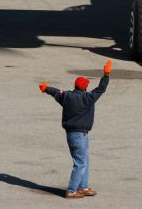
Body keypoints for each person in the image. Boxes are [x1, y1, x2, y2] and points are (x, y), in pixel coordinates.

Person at [39, 60, 112, 199]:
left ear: (75, 86)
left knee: (84, 160)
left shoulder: (67, 96)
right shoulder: (88, 98)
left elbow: (55, 91)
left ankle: (83, 187)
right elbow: (101, 88)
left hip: (71, 135)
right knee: (80, 163)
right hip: (80, 136)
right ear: (85, 88)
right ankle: (72, 190)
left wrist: (45, 88)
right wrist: (106, 74)